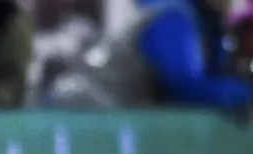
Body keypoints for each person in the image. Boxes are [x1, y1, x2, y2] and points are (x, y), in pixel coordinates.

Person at [47, 0, 251, 109]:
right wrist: (245, 93)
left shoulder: (207, 21)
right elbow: (184, 87)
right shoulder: (171, 15)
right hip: (85, 116)